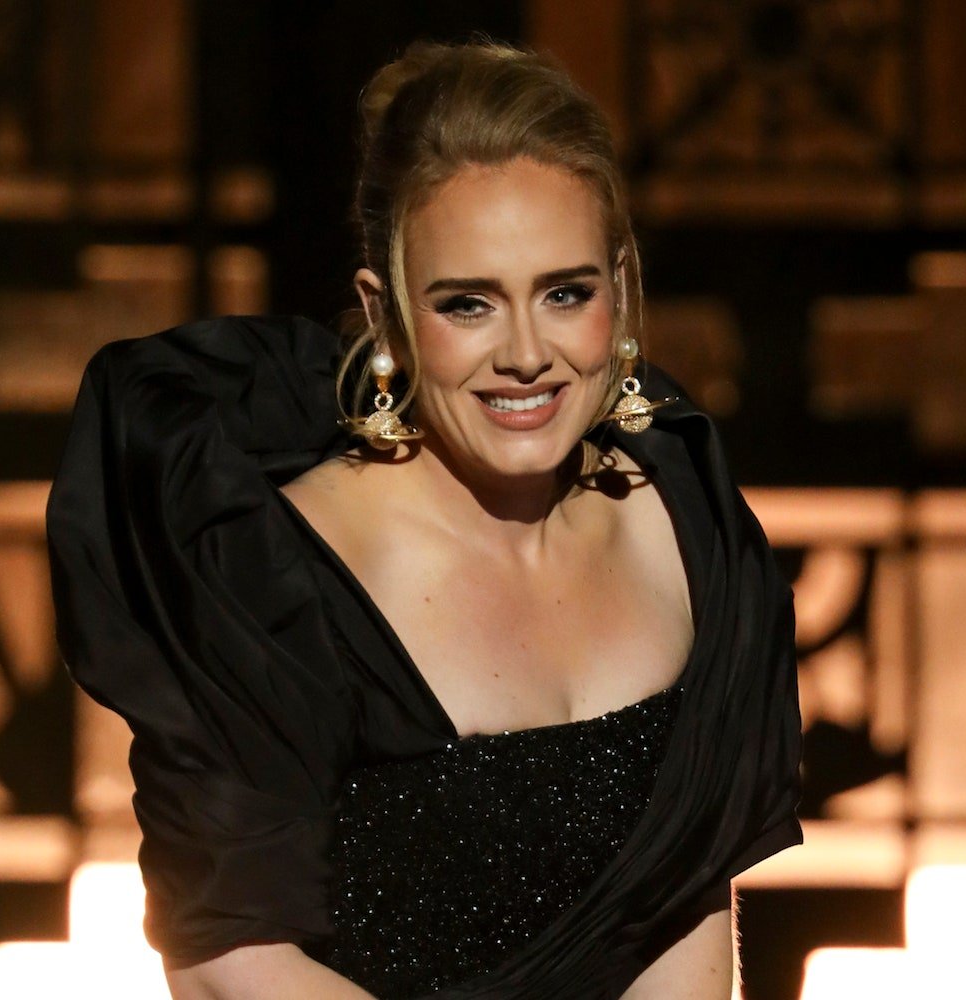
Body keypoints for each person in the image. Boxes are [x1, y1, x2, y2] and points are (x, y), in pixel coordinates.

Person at [44, 39, 802, 1000]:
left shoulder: (683, 514)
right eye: (468, 305)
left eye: (565, 293)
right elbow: (229, 963)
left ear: (619, 286)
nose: (525, 354)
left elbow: (686, 902)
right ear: (386, 314)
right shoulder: (278, 574)